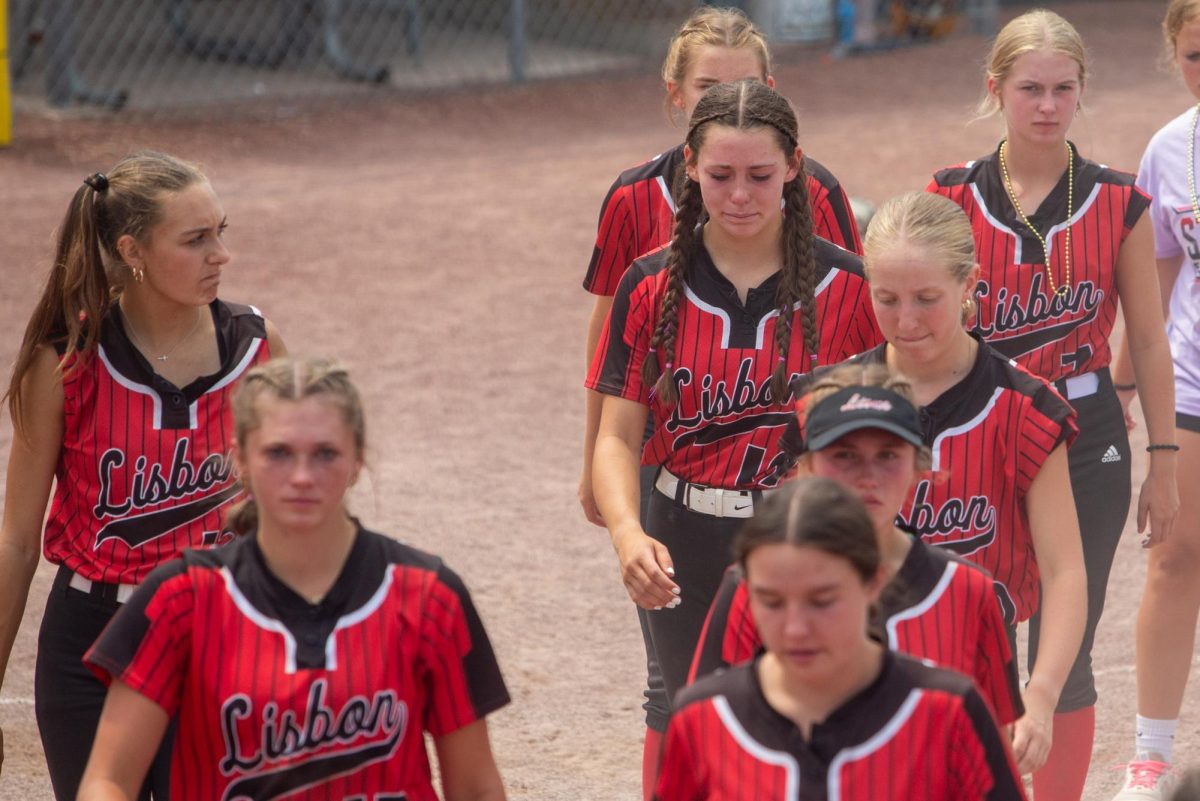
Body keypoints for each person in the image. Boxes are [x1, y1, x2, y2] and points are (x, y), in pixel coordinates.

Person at [578, 13, 862, 790]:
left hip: (803, 532)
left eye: (761, 176)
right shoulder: (649, 282)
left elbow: (877, 431)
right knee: (692, 717)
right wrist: (628, 531)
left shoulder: (844, 287)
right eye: (720, 175)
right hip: (682, 534)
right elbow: (618, 433)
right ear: (691, 171)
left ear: (795, 168)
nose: (739, 194)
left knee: (808, 716)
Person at [927, 11, 1179, 798]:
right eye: (1029, 89)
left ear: (1081, 93)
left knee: (1063, 650)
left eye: (1062, 89)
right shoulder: (951, 194)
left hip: (1086, 434)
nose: (1046, 105)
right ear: (994, 89)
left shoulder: (1117, 199)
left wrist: (1164, 461)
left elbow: (1147, 339)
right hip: (979, 432)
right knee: (976, 630)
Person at [77, 356, 510, 801]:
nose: (302, 477)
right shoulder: (181, 599)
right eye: (279, 453)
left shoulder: (428, 596)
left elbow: (475, 788)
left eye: (325, 454)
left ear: (357, 459)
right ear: (240, 459)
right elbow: (108, 780)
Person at [0, 151, 285, 800]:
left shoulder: (255, 347)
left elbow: (298, 514)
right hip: (89, 646)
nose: (221, 254)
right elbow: (17, 540)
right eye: (195, 239)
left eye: (221, 232)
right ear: (133, 250)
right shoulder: (66, 357)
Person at [781, 191, 1086, 777]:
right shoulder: (827, 401)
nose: (906, 320)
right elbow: (799, 553)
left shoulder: (1024, 408)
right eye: (886, 299)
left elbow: (1065, 569)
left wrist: (1042, 697)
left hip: (976, 681)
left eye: (927, 299)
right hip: (847, 674)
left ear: (970, 282)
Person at [690, 364, 1022, 727]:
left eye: (888, 455)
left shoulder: (968, 592)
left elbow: (992, 750)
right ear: (809, 465)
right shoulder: (754, 585)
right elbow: (707, 734)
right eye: (844, 455)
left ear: (918, 467)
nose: (868, 476)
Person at [655, 477, 1027, 801]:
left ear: (874, 582)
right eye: (771, 602)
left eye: (823, 601)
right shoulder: (702, 718)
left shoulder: (949, 711)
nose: (796, 628)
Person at [1107, 2, 1200, 797]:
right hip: (1197, 382)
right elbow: (1157, 283)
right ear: (1175, 55)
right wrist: (1126, 385)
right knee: (1175, 557)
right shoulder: (1170, 150)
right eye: (1198, 55)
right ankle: (1150, 754)